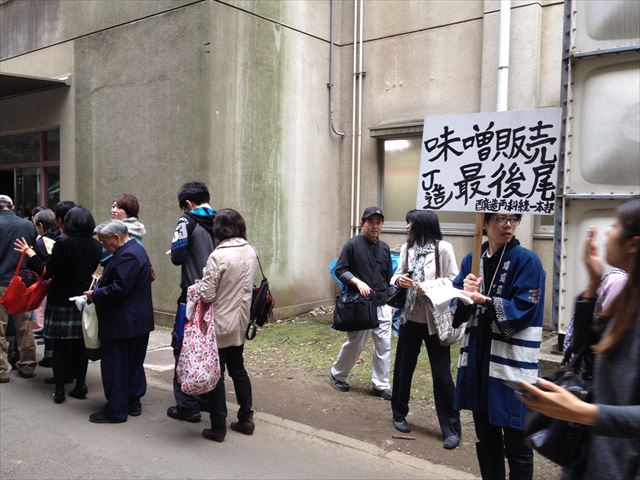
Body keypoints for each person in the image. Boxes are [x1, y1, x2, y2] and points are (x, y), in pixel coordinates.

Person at [518, 200, 640, 480]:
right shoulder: (626, 292)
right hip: (594, 455)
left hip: (624, 463)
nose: (608, 233)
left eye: (616, 226)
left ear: (633, 244)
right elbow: (582, 351)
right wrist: (593, 285)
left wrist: (588, 413)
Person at [453, 213, 545, 480]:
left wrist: (484, 301)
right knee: (486, 438)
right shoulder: (472, 259)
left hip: (510, 365)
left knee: (517, 442)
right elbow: (457, 309)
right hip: (478, 359)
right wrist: (462, 294)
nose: (508, 225)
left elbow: (525, 308)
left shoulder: (528, 260)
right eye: (500, 218)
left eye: (513, 219)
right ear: (484, 222)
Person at [390, 209, 462, 449]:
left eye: (410, 223)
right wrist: (401, 280)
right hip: (410, 319)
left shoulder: (443, 249)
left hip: (436, 321)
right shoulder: (406, 249)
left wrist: (427, 286)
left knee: (442, 375)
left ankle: (451, 428)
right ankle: (399, 414)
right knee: (403, 369)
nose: (407, 227)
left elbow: (454, 279)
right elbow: (396, 275)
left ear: (422, 225)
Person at [15, 207, 102, 403]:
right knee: (81, 347)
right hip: (83, 301)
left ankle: (60, 391)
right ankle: (80, 386)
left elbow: (48, 271)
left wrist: (30, 254)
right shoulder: (96, 246)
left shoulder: (63, 243)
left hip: (60, 299)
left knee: (60, 348)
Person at [197, 208, 259, 442]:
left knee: (216, 374)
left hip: (220, 322)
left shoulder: (218, 256)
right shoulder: (251, 250)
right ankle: (246, 418)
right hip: (241, 321)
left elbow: (207, 294)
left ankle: (218, 427)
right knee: (238, 369)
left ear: (219, 229)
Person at [85, 220, 155, 423]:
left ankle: (116, 409)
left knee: (115, 365)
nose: (103, 246)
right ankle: (133, 401)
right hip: (136, 320)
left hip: (123, 321)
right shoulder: (135, 249)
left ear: (116, 237)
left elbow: (119, 288)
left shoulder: (128, 255)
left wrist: (95, 294)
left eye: (104, 242)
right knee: (133, 363)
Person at [329, 206, 394, 400]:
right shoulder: (352, 245)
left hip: (381, 303)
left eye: (378, 222)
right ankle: (337, 374)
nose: (375, 226)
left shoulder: (384, 248)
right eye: (370, 222)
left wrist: (390, 303)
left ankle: (381, 384)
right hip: (359, 304)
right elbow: (340, 269)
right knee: (355, 343)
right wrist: (357, 282)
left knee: (384, 345)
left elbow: (388, 277)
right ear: (362, 223)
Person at [167, 181, 216, 423]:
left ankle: (188, 405)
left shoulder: (187, 221)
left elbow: (177, 256)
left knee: (183, 346)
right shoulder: (222, 220)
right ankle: (207, 398)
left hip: (191, 296)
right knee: (208, 346)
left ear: (187, 204)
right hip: (216, 296)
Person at [0, 194, 37, 382]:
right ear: (12, 207)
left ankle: (1, 370)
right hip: (22, 282)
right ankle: (28, 365)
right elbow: (33, 252)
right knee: (24, 325)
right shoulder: (27, 225)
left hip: (0, 282)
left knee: (0, 327)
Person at [31, 208, 62, 368]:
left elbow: (42, 268)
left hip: (49, 285)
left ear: (41, 226)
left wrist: (31, 255)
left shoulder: (40, 242)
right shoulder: (62, 237)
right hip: (63, 284)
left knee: (49, 321)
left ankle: (50, 357)